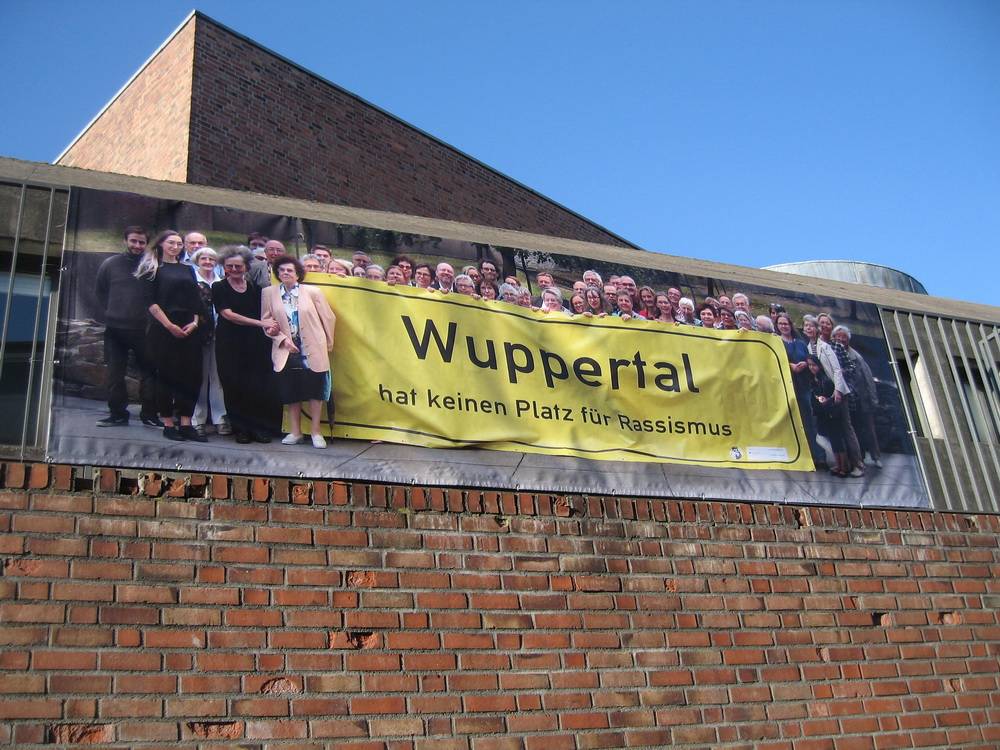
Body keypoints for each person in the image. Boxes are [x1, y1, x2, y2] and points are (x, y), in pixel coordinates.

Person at [136, 230, 205, 442]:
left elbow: (196, 299)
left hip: (189, 330)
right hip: (164, 330)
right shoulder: (152, 269)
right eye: (171, 243)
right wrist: (169, 325)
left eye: (178, 243)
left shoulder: (188, 269)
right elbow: (151, 303)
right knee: (166, 377)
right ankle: (168, 423)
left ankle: (186, 423)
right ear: (161, 244)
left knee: (192, 376)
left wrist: (194, 322)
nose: (176, 247)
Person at [262, 256, 336, 449]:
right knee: (291, 390)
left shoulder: (312, 292)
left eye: (290, 270)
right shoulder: (269, 293)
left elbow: (328, 318)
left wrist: (327, 343)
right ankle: (296, 431)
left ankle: (316, 431)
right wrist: (282, 340)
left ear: (297, 274)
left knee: (316, 390)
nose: (285, 273)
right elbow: (267, 322)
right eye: (282, 270)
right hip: (287, 349)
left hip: (312, 347)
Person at [94, 226, 160, 428]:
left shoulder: (153, 267)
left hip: (144, 330)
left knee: (150, 374)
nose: (137, 245)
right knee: (115, 374)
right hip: (116, 329)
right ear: (126, 240)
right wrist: (114, 312)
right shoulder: (110, 264)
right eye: (133, 241)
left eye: (141, 242)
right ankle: (117, 414)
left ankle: (149, 414)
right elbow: (100, 292)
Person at [213, 247, 275, 444]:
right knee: (234, 385)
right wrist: (260, 324)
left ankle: (257, 428)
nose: (234, 269)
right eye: (229, 266)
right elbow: (228, 314)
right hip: (229, 343)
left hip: (254, 344)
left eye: (238, 266)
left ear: (246, 267)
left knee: (255, 386)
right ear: (224, 267)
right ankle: (241, 429)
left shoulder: (256, 290)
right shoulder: (219, 287)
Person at [189, 248, 227, 437]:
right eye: (204, 258)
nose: (208, 261)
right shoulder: (192, 281)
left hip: (220, 334)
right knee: (201, 378)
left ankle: (221, 419)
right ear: (197, 260)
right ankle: (198, 420)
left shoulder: (220, 282)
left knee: (218, 377)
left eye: (212, 258)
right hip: (200, 333)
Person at [833, 325, 882, 468]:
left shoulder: (856, 356)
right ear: (834, 338)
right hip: (848, 398)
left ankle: (876, 456)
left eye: (844, 337)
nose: (841, 339)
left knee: (869, 429)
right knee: (854, 430)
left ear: (848, 339)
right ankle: (859, 458)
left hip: (862, 398)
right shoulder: (833, 353)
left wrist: (873, 399)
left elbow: (868, 379)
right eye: (838, 336)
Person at [777, 312, 821, 465]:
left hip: (803, 386)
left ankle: (814, 454)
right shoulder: (776, 342)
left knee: (807, 420)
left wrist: (805, 364)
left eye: (786, 323)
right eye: (780, 324)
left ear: (791, 325)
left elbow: (811, 361)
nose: (784, 326)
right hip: (786, 386)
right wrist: (789, 365)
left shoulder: (801, 343)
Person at [806, 355, 851, 477]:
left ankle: (844, 467)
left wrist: (827, 401)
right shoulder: (813, 380)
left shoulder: (825, 380)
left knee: (837, 441)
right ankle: (838, 464)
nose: (811, 367)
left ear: (819, 365)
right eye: (809, 365)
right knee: (833, 440)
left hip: (832, 413)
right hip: (823, 414)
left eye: (813, 365)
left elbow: (832, 398)